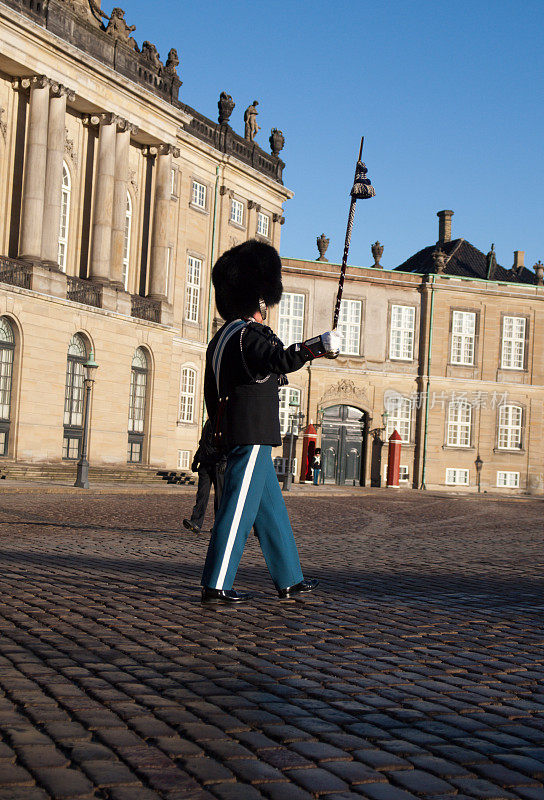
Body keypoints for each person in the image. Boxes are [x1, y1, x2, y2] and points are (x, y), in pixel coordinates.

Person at [200, 239, 340, 605]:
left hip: (243, 430)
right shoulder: (248, 335)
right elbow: (280, 360)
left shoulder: (224, 337)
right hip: (249, 433)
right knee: (237, 510)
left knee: (270, 511)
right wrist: (319, 346)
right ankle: (216, 582)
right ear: (259, 299)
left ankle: (289, 578)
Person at [183, 420, 226, 535]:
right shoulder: (208, 422)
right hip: (205, 463)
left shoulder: (225, 420)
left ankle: (219, 525)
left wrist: (224, 460)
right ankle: (196, 522)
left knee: (220, 497)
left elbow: (229, 443)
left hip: (218, 465)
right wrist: (196, 460)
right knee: (202, 494)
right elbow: (203, 443)